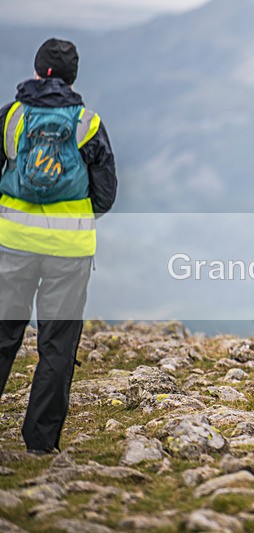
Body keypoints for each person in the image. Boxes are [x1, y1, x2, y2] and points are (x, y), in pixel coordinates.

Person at [0, 38, 117, 454]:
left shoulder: (11, 116)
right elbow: (106, 192)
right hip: (70, 250)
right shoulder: (86, 122)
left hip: (11, 244)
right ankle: (40, 443)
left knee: (3, 336)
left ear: (36, 71)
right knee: (57, 345)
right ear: (72, 77)